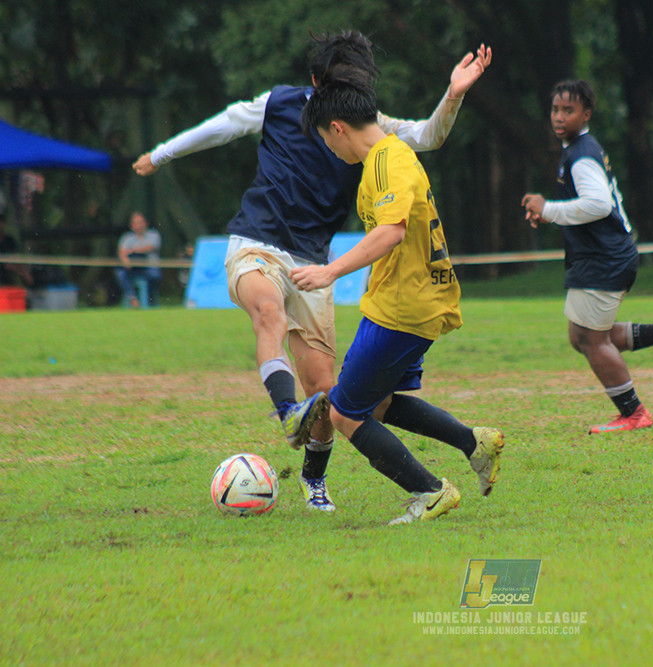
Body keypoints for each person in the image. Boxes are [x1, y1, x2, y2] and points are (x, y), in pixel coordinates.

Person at [132, 32, 491, 511]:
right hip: (257, 242)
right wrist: (162, 153)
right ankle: (286, 412)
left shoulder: (370, 125)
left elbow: (430, 136)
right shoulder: (280, 103)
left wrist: (452, 95)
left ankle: (314, 477)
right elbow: (225, 123)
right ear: (318, 81)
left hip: (314, 262)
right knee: (267, 311)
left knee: (329, 392)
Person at [291, 74, 504, 526]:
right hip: (397, 301)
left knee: (346, 414)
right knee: (380, 402)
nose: (331, 151)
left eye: (326, 141)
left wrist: (329, 271)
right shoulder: (383, 158)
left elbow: (392, 231)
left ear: (338, 127)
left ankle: (430, 491)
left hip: (404, 308)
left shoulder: (388, 160)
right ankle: (473, 443)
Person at [521, 79, 653, 435]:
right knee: (581, 336)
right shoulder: (576, 148)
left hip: (605, 258)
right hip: (602, 255)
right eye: (555, 109)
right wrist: (550, 212)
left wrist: (550, 209)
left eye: (568, 110)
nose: (558, 116)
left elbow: (599, 205)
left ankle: (634, 413)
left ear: (586, 114)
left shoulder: (582, 153)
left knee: (590, 339)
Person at [115, 211, 162, 307]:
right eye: (136, 223)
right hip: (132, 268)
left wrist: (132, 251)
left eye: (141, 222)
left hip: (148, 267)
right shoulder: (127, 238)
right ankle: (133, 298)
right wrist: (125, 260)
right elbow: (121, 252)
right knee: (121, 273)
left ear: (145, 223)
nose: (139, 225)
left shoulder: (154, 235)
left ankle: (150, 298)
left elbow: (150, 247)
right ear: (132, 225)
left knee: (155, 275)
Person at [0, 216, 34, 287]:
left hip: (8, 280)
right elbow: (6, 265)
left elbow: (15, 258)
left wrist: (24, 272)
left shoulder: (9, 240)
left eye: (2, 222)